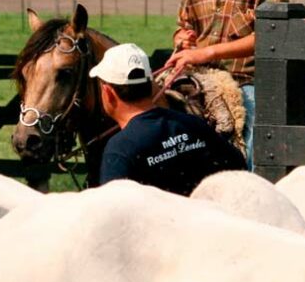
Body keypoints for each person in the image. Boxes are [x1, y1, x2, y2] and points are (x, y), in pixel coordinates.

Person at [161, 0, 289, 170]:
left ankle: (257, 185)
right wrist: (183, 39)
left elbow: (271, 37)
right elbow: (184, 26)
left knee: (255, 135)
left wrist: (205, 53)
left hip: (246, 79)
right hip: (197, 74)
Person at [93, 43, 245, 196]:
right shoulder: (193, 124)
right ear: (150, 85)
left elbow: (114, 211)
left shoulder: (120, 150)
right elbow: (238, 166)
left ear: (108, 93)